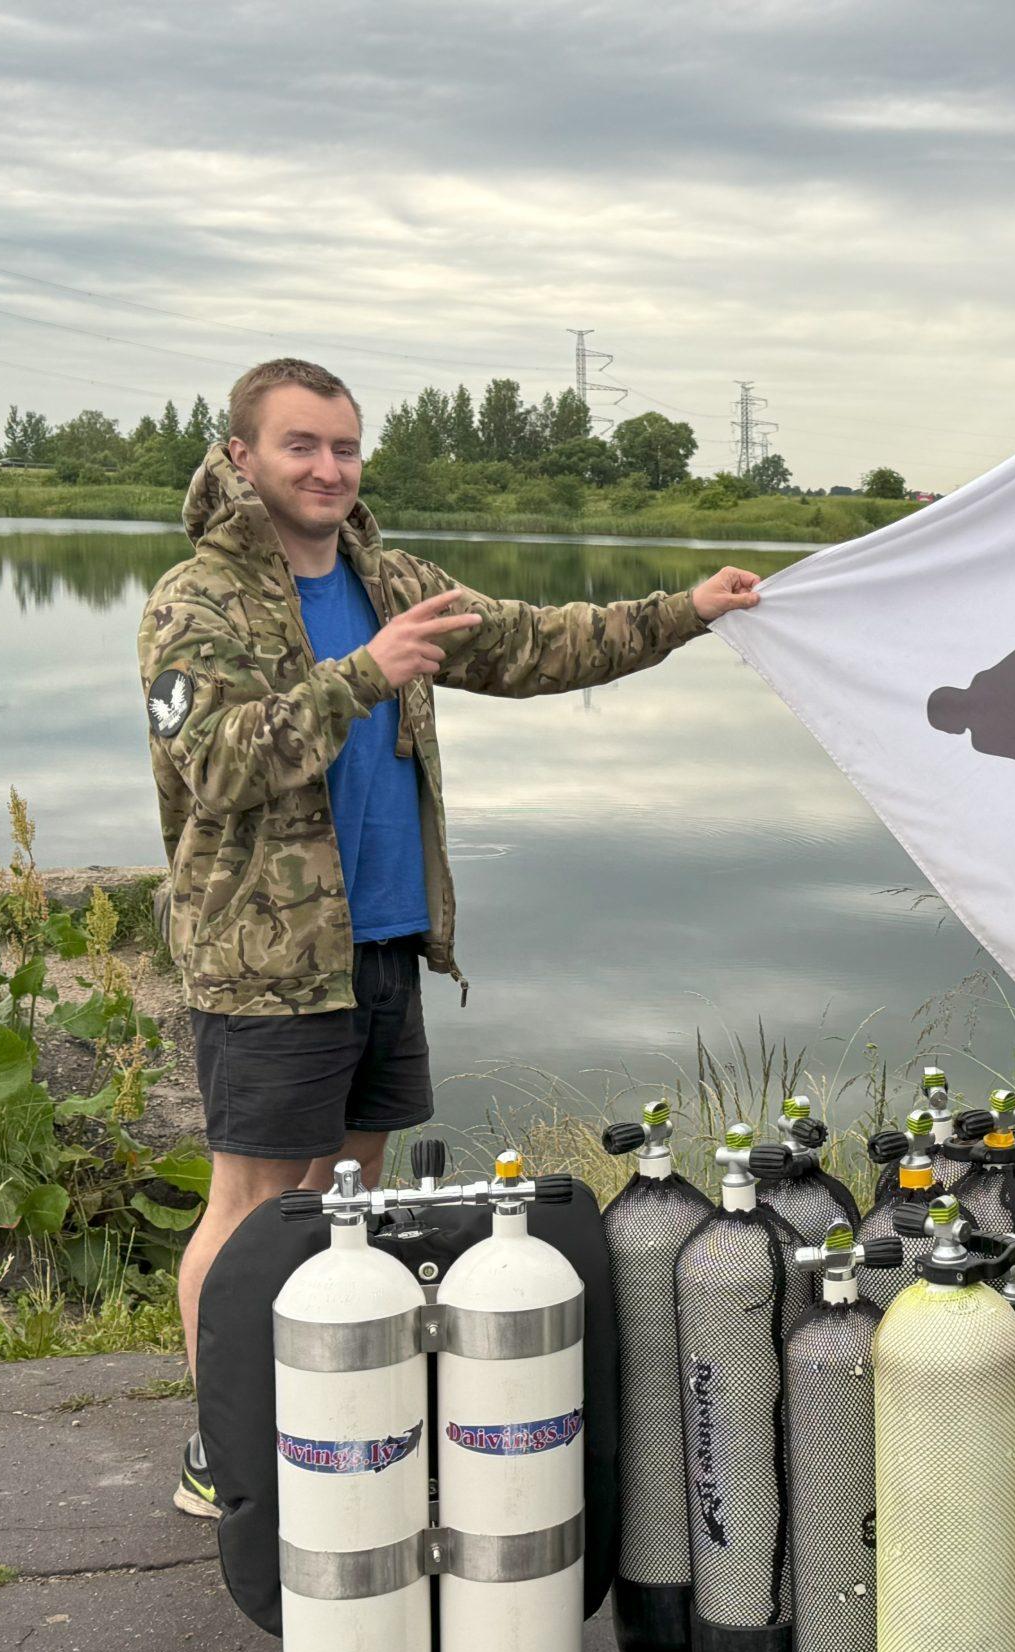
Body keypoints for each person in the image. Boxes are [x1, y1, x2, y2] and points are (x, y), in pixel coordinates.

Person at [142, 357, 761, 1517]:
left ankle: (330, 1423)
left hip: (382, 943)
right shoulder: (197, 600)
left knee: (349, 1198)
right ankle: (221, 1450)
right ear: (240, 457)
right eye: (299, 446)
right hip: (265, 963)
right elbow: (216, 765)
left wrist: (688, 611)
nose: (327, 468)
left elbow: (537, 645)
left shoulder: (392, 579)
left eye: (344, 446)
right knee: (249, 1205)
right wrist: (358, 679)